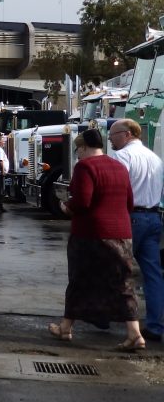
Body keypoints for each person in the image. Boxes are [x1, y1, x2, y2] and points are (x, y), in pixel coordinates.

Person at [50, 129, 144, 351]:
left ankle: (65, 328)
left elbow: (82, 201)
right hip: (122, 233)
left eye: (78, 150)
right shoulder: (119, 167)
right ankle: (135, 334)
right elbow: (129, 202)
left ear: (83, 147)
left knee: (79, 279)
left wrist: (65, 207)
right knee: (123, 282)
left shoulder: (85, 167)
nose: (78, 155)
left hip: (90, 234)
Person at [108, 118, 164, 343]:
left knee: (115, 269)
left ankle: (109, 317)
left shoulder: (122, 157)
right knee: (153, 274)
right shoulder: (155, 159)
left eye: (113, 134)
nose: (110, 138)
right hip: (153, 216)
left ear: (128, 134)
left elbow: (116, 190)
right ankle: (156, 326)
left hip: (130, 218)